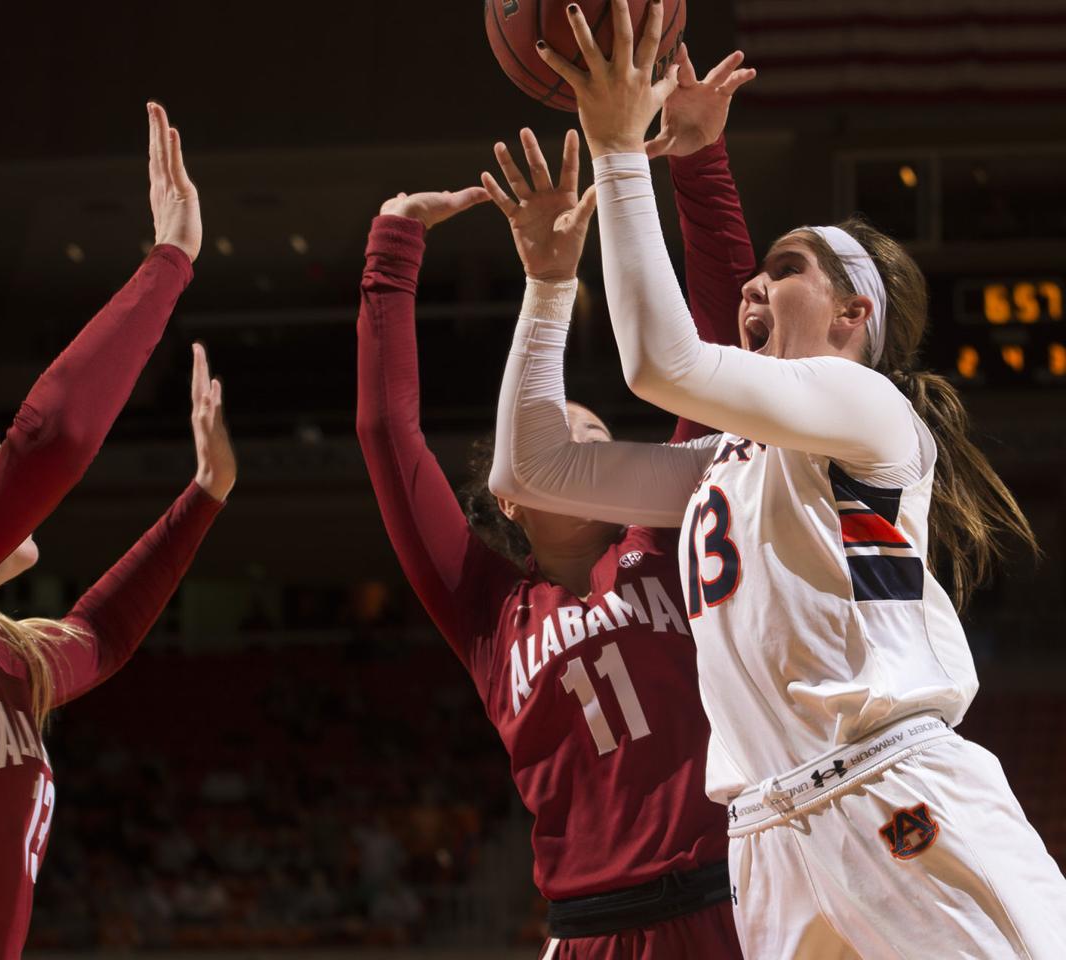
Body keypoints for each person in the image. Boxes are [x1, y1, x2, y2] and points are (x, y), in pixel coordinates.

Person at [492, 2, 1066, 956]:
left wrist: (617, 150)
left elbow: (661, 365)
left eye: (784, 269)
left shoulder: (870, 410)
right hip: (765, 838)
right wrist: (551, 286)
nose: (752, 288)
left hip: (891, 784)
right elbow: (535, 467)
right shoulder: (724, 464)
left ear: (853, 312)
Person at [357, 45, 756, 958]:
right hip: (591, 932)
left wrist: (698, 153)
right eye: (561, 437)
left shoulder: (678, 534)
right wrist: (392, 249)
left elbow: (722, 351)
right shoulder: (487, 611)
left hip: (738, 897)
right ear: (511, 497)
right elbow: (388, 438)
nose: (584, 445)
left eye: (593, 436)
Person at [0, 103, 235, 959]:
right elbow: (53, 440)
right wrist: (169, 260)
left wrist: (205, 495)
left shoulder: (3, 659)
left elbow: (98, 637)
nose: (2, 473)